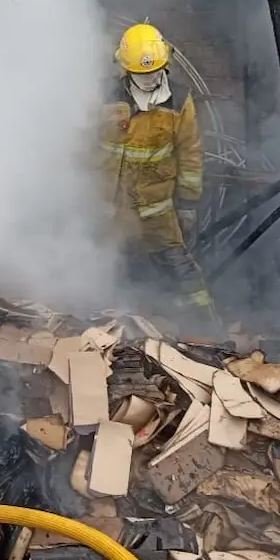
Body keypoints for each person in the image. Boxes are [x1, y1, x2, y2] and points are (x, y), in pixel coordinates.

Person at [102, 22, 222, 338]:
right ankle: (109, 337)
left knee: (183, 274)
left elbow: (190, 155)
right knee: (106, 273)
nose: (152, 78)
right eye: (143, 74)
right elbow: (85, 146)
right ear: (125, 71)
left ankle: (210, 337)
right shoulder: (105, 98)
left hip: (157, 212)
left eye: (157, 71)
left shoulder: (179, 101)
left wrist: (188, 205)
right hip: (112, 213)